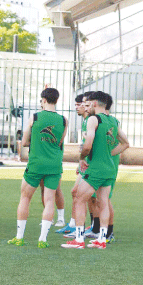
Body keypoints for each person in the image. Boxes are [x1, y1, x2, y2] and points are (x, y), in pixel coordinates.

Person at [62, 91, 129, 249]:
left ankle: (78, 240)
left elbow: (88, 144)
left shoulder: (93, 119)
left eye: (87, 103)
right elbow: (126, 143)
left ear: (94, 104)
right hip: (109, 168)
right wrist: (108, 154)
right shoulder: (113, 121)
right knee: (103, 202)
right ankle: (102, 239)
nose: (86, 106)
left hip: (96, 168)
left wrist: (82, 158)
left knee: (79, 199)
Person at [8, 88, 67, 248]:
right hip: (54, 165)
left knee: (25, 198)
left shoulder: (34, 117)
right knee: (49, 201)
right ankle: (42, 239)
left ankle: (19, 237)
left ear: (43, 100)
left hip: (35, 163)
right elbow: (60, 142)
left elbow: (25, 141)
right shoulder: (63, 120)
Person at [56, 93, 90, 235]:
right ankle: (74, 224)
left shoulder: (91, 121)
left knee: (83, 194)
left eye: (80, 104)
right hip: (85, 164)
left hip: (91, 165)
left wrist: (84, 160)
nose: (77, 107)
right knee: (77, 193)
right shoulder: (85, 121)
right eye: (76, 104)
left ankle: (87, 228)